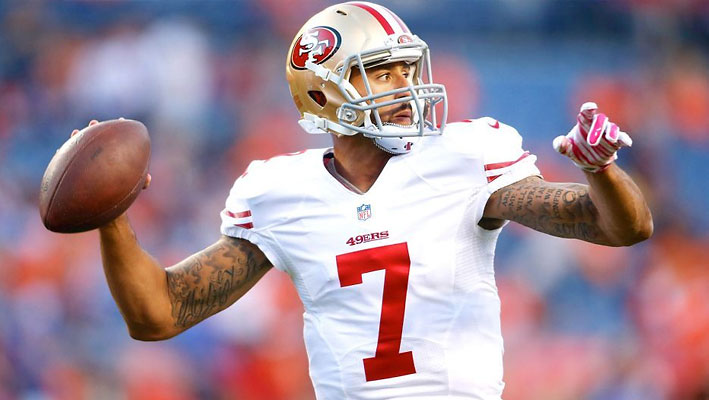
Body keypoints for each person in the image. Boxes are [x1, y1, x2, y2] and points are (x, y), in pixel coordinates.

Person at [79, 2, 653, 399]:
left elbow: (618, 227)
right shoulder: (281, 194)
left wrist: (599, 170)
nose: (407, 87)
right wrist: (111, 214)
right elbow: (159, 314)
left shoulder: (463, 157)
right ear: (323, 94)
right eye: (382, 73)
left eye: (408, 68)